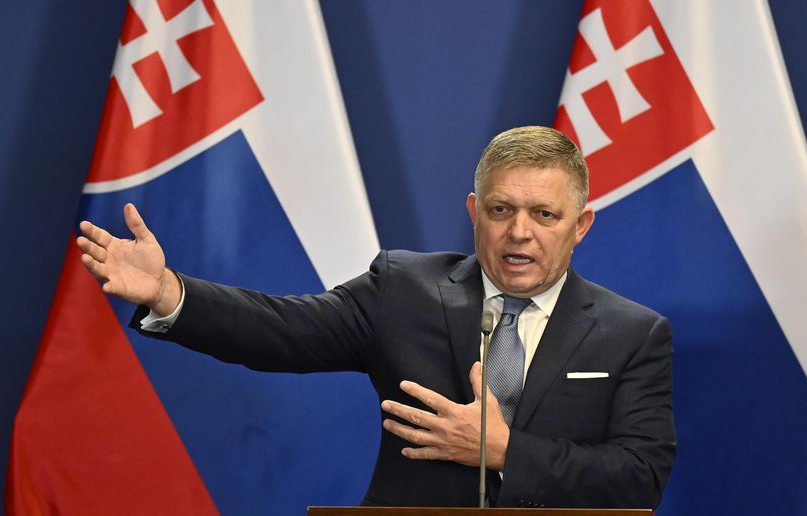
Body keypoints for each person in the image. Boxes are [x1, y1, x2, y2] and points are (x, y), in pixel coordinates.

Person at [76, 126, 676, 508]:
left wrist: (504, 452)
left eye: (544, 215)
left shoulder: (630, 333)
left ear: (580, 225)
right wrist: (167, 291)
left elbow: (638, 474)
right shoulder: (406, 290)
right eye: (501, 209)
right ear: (474, 211)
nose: (520, 232)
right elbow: (279, 331)